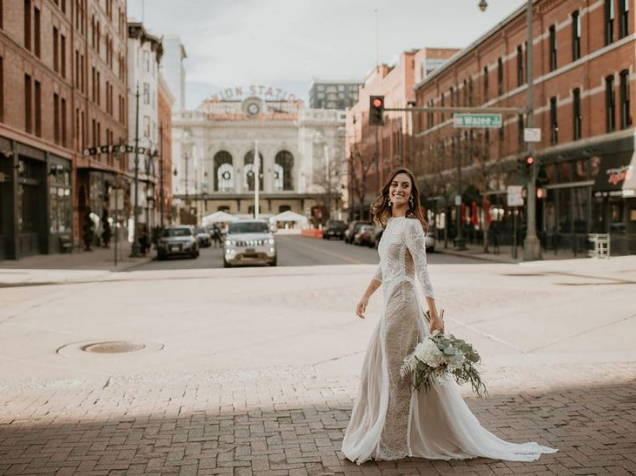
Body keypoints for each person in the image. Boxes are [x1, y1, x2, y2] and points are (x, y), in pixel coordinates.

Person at [342, 167, 557, 464]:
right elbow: (384, 267)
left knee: (396, 375)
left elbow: (422, 272)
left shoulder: (412, 227)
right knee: (388, 371)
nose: (399, 189)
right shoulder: (391, 224)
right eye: (395, 184)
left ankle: (393, 443)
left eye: (405, 185)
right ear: (389, 191)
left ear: (412, 194)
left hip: (403, 304)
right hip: (389, 303)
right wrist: (366, 295)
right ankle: (393, 437)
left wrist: (434, 316)